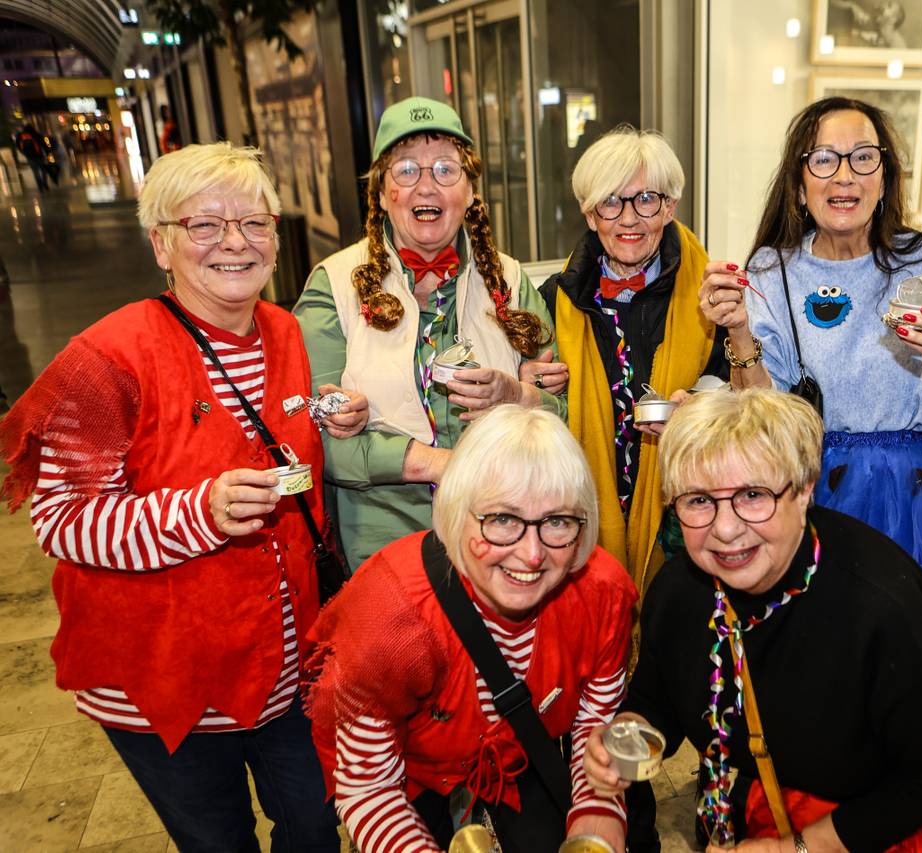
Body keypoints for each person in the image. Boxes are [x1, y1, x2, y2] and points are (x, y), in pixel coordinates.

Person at [0, 142, 370, 850]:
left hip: (287, 668)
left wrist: (323, 414)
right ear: (161, 244)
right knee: (218, 841)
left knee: (316, 826)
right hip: (166, 680)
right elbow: (61, 520)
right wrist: (199, 512)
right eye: (204, 224)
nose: (235, 242)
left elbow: (259, 427)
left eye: (254, 223)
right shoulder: (106, 357)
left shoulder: (284, 329)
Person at [584, 388, 922, 851]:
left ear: (805, 489)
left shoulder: (878, 605)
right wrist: (624, 740)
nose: (725, 529)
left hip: (901, 793)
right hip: (779, 785)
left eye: (753, 495)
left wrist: (797, 848)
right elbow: (659, 696)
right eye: (699, 500)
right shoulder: (678, 592)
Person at [702, 97, 922, 630]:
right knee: (824, 645)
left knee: (911, 647)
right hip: (815, 488)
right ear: (799, 184)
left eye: (863, 157)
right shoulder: (772, 270)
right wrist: (736, 328)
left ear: (885, 178)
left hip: (917, 495)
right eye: (824, 159)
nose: (844, 175)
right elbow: (764, 415)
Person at [305, 405, 636, 853]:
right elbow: (369, 787)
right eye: (502, 519)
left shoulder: (603, 593)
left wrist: (598, 808)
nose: (532, 555)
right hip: (411, 772)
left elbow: (596, 718)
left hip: (523, 752)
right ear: (457, 512)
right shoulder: (389, 620)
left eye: (557, 521)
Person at [295, 96, 564, 570]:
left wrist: (516, 396)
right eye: (406, 170)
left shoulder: (510, 281)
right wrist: (438, 462)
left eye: (445, 169)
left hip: (502, 530)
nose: (426, 186)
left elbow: (561, 413)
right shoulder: (332, 285)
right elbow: (309, 435)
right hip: (383, 544)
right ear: (382, 194)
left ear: (470, 191)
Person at [539, 126, 733, 596]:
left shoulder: (710, 295)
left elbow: (736, 388)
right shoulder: (552, 301)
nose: (629, 218)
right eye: (611, 201)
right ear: (590, 214)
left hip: (683, 516)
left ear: (670, 207)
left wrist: (701, 408)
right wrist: (534, 387)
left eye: (646, 199)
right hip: (585, 504)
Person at [15, 124, 50, 191]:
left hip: (29, 157)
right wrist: (48, 153)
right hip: (39, 155)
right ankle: (45, 183)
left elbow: (17, 145)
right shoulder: (36, 134)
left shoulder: (20, 135)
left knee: (35, 171)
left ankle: (40, 186)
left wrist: (23, 152)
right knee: (43, 170)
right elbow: (44, 144)